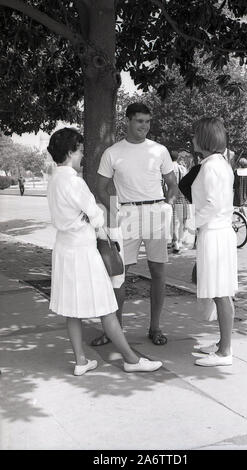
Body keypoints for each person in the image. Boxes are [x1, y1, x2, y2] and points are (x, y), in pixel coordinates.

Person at [46, 127, 162, 375]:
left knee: (71, 310)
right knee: (107, 307)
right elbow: (97, 217)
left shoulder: (54, 179)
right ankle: (131, 359)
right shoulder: (74, 182)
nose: (82, 157)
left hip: (64, 249)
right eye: (79, 152)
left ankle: (80, 361)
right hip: (83, 251)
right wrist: (97, 211)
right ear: (70, 152)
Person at [92, 102, 178, 346]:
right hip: (127, 214)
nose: (145, 126)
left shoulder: (159, 150)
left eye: (148, 121)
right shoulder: (113, 152)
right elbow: (100, 187)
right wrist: (114, 211)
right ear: (127, 121)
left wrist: (168, 206)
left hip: (155, 212)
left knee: (158, 272)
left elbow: (172, 184)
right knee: (119, 274)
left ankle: (155, 328)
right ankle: (114, 331)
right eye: (140, 121)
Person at [189, 117, 238, 367]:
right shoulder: (217, 164)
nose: (193, 138)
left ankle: (225, 351)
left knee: (221, 292)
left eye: (197, 134)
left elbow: (212, 205)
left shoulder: (211, 167)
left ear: (205, 138)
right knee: (220, 291)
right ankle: (222, 344)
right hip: (217, 231)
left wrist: (190, 222)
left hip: (215, 232)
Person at [169, 150, 188, 253]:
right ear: (177, 158)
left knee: (172, 221)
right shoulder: (182, 169)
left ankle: (174, 240)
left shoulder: (167, 168)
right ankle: (179, 241)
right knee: (180, 221)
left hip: (169, 197)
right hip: (181, 196)